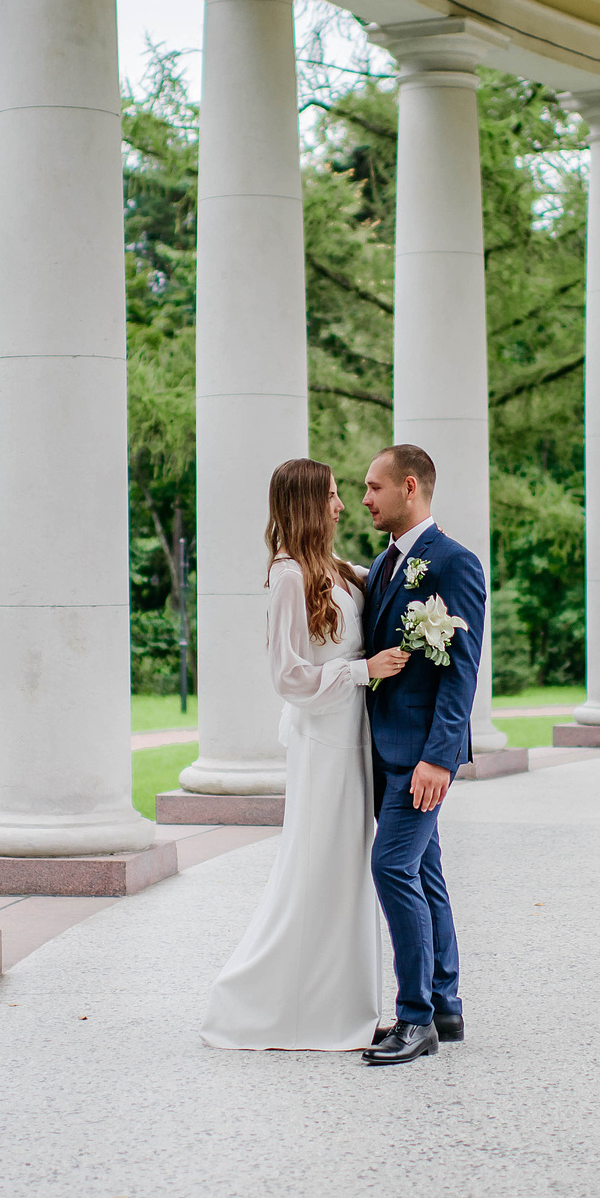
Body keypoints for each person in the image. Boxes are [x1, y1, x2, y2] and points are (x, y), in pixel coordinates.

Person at [200, 459, 410, 1050]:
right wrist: (362, 670)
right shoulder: (288, 576)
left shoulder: (336, 568)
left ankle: (343, 1007)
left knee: (347, 872)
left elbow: (394, 577)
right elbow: (289, 677)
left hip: (353, 737)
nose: (343, 506)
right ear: (307, 504)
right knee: (321, 868)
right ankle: (278, 1006)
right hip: (323, 742)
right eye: (333, 496)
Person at [356, 444, 487, 1067]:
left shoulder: (454, 563)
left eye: (373, 487)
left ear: (409, 487)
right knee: (423, 871)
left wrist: (439, 758)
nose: (365, 498)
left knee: (391, 868)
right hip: (382, 748)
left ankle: (415, 1019)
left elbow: (462, 672)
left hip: (421, 757)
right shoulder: (385, 565)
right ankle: (444, 1005)